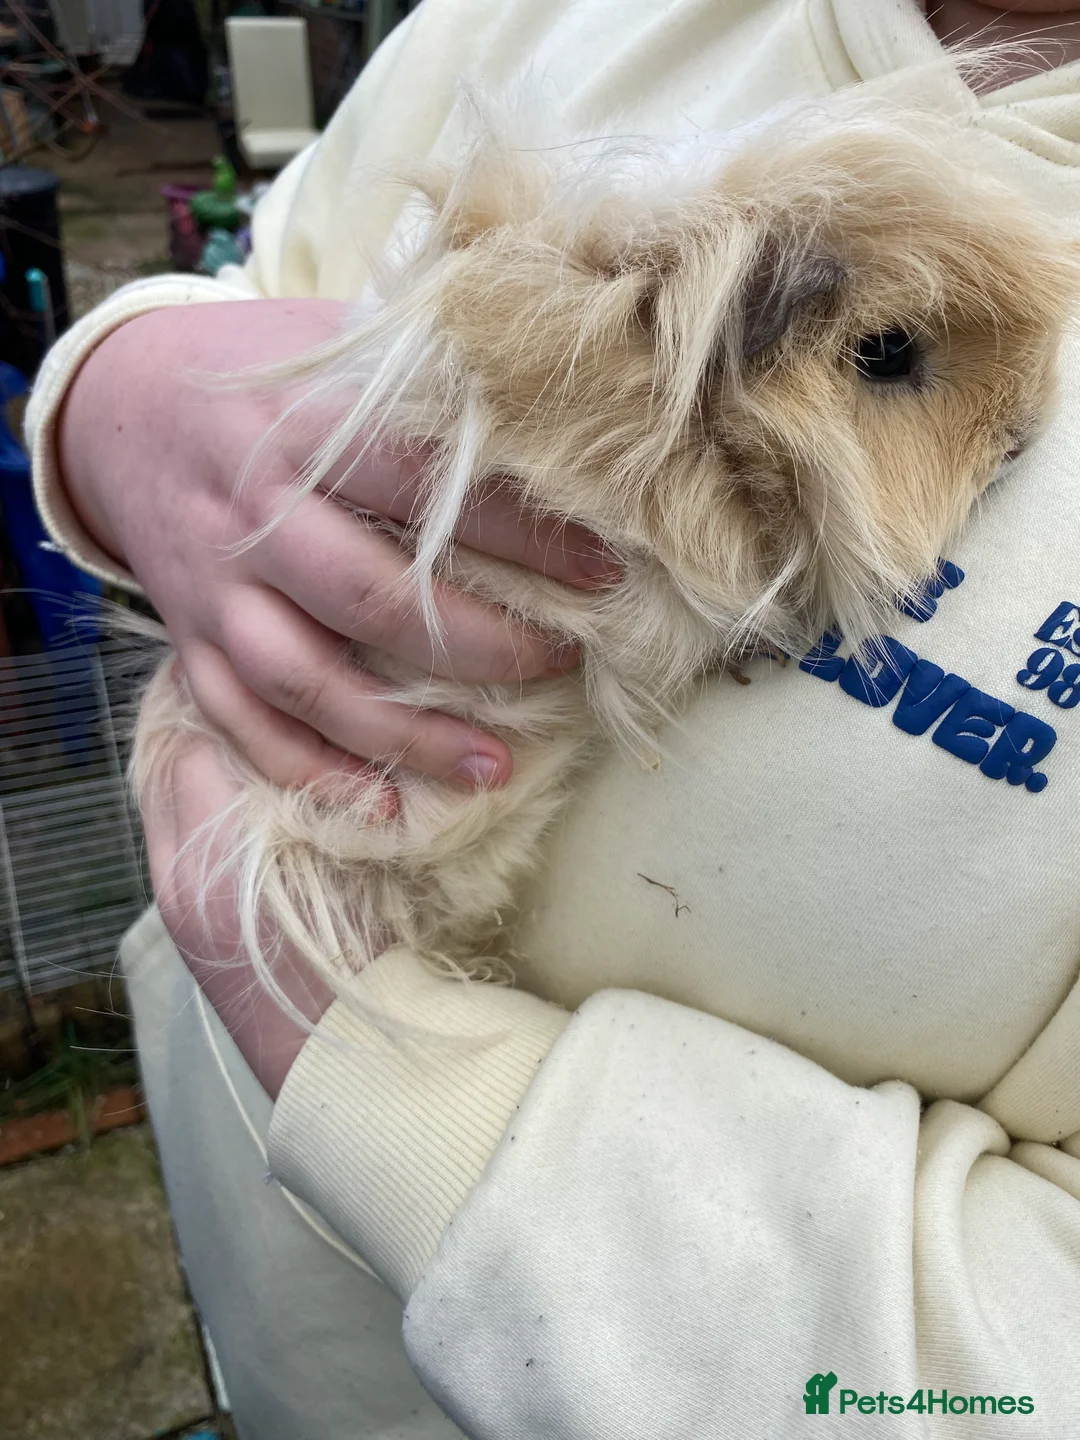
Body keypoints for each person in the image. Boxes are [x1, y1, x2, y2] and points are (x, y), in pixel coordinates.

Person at [28, 0, 1080, 1434]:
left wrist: (384, 1065)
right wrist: (122, 393)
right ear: (718, 343)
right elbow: (260, 287)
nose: (1020, 431)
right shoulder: (541, 18)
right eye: (893, 356)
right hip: (281, 1320)